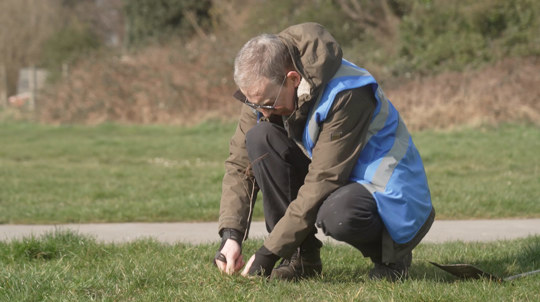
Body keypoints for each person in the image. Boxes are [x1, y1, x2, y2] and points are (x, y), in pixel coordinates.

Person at [214, 22, 435, 281]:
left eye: (267, 104)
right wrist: (231, 236)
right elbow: (240, 164)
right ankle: (300, 259)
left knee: (338, 215)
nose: (261, 112)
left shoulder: (348, 93)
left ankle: (392, 259)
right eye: (252, 103)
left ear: (293, 79)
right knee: (260, 138)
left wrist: (268, 253)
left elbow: (324, 180)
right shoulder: (263, 90)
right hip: (341, 177)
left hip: (387, 190)